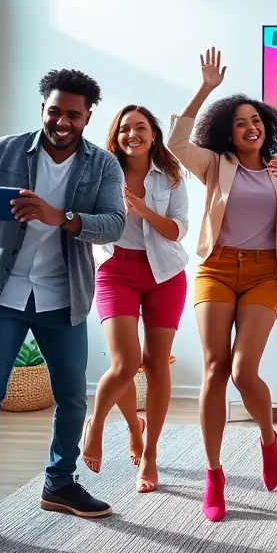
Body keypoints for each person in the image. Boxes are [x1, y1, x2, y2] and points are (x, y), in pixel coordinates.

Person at [0, 69, 126, 553]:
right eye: (54, 111)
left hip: (63, 295)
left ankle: (59, 482)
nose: (62, 122)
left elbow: (113, 224)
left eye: (73, 115)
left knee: (72, 397)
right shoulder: (4, 151)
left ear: (87, 117)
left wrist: (60, 217)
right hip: (2, 294)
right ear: (43, 108)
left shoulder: (103, 165)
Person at [169, 48, 277, 522]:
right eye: (239, 123)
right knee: (214, 369)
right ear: (227, 132)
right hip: (217, 268)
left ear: (266, 126)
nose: (250, 127)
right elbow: (175, 142)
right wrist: (205, 88)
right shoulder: (217, 165)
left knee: (242, 371)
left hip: (265, 274)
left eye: (255, 120)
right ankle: (214, 475)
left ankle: (268, 439)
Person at [81, 104, 189, 494]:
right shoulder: (100, 173)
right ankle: (100, 424)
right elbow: (87, 221)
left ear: (153, 134)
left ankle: (150, 454)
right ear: (116, 136)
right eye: (125, 128)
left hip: (165, 274)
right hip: (115, 270)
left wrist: (143, 210)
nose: (133, 134)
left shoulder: (172, 175)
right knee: (125, 362)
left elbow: (178, 230)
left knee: (157, 364)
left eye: (140, 127)